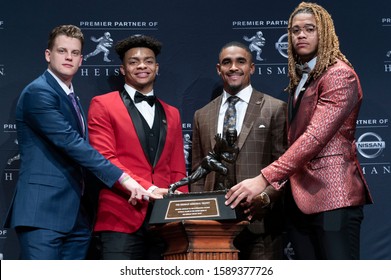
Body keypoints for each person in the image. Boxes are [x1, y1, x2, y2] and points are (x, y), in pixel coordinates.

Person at [225, 2, 373, 260]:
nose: (300, 35)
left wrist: (263, 179)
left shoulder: (339, 75)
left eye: (309, 29)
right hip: (298, 199)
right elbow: (294, 144)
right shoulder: (302, 77)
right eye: (295, 31)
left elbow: (314, 138)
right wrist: (271, 192)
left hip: (333, 198)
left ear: (324, 32)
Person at [3, 25, 158, 260]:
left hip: (76, 215)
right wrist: (126, 179)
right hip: (43, 214)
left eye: (74, 53)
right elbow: (72, 144)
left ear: (81, 59)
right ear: (48, 55)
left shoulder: (71, 96)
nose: (68, 57)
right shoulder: (39, 92)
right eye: (62, 51)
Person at [87, 34, 188, 260]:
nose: (142, 65)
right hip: (120, 219)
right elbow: (105, 158)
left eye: (148, 61)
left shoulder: (172, 113)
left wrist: (181, 212)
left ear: (157, 67)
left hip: (165, 223)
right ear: (123, 69)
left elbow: (177, 168)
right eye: (133, 62)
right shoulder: (103, 104)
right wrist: (148, 189)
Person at [191, 41, 287, 259]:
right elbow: (198, 170)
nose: (233, 67)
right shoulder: (202, 114)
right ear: (219, 69)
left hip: (261, 224)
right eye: (227, 62)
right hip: (212, 226)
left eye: (240, 61)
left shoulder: (275, 108)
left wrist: (264, 199)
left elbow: (284, 166)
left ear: (251, 68)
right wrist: (198, 218)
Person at [168, 128, 239, 194]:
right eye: (229, 136)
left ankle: (174, 185)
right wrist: (218, 145)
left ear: (236, 137)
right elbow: (216, 151)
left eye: (233, 137)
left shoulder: (235, 148)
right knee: (224, 170)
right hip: (209, 160)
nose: (231, 139)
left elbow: (232, 160)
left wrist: (223, 156)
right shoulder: (222, 142)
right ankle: (221, 188)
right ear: (226, 136)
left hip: (212, 164)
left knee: (193, 178)